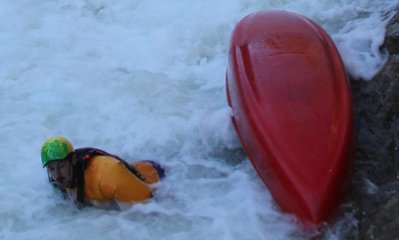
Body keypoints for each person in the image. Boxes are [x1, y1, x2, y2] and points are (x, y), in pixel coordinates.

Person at [40, 136, 165, 210]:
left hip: (156, 175)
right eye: (51, 169)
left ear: (73, 160)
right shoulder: (58, 178)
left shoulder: (108, 176)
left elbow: (149, 204)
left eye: (61, 166)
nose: (57, 175)